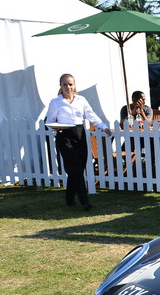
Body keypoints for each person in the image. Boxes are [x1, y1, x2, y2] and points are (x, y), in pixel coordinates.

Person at [45, 73, 111, 211]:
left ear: (74, 85)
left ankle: (69, 199)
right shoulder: (55, 102)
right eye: (65, 84)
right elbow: (49, 122)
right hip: (65, 136)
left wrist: (103, 127)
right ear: (60, 86)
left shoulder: (81, 100)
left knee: (77, 168)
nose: (68, 87)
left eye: (70, 84)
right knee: (75, 167)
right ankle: (84, 200)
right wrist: (55, 127)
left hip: (80, 135)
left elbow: (91, 115)